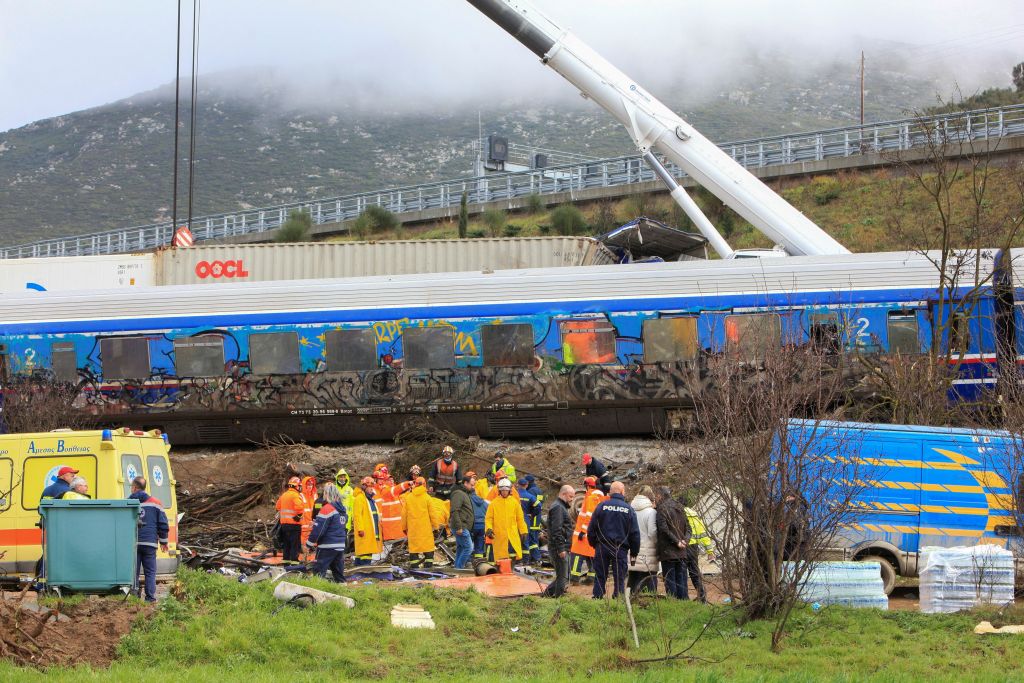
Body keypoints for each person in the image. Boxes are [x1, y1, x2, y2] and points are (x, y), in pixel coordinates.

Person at [588, 481, 640, 599]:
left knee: (600, 575)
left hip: (602, 546)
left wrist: (594, 544)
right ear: (622, 492)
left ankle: (597, 597)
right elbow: (635, 533)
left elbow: (591, 529)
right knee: (619, 577)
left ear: (610, 492)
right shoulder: (629, 509)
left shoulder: (601, 506)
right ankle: (618, 598)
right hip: (620, 548)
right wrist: (634, 552)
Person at [128, 476, 168, 603]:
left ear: (134, 487)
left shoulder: (126, 502)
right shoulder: (156, 503)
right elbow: (162, 524)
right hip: (150, 543)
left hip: (132, 543)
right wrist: (164, 541)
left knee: (133, 571)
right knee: (150, 572)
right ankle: (150, 598)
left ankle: (134, 596)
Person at [654, 486, 692, 600]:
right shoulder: (680, 507)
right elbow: (689, 528)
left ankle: (673, 604)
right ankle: (684, 604)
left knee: (670, 580)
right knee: (682, 580)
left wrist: (676, 542)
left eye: (656, 496)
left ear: (660, 496)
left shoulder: (662, 508)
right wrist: (685, 540)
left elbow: (664, 529)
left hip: (668, 551)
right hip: (682, 551)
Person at [306, 482, 348, 582]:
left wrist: (309, 544)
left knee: (318, 572)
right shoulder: (342, 510)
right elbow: (336, 525)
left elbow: (319, 530)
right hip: (340, 545)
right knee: (339, 574)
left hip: (327, 546)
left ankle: (317, 592)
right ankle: (342, 591)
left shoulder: (327, 509)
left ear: (327, 494)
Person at [569, 476, 607, 583]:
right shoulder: (602, 498)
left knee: (577, 554)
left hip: (584, 533)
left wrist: (583, 531)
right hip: (595, 533)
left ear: (588, 486)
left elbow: (589, 515)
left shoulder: (591, 497)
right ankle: (591, 577)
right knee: (592, 555)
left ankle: (574, 577)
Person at [484, 478, 528, 565]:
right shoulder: (494, 503)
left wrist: (523, 531)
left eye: (506, 490)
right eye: (502, 490)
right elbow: (489, 518)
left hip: (512, 535)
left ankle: (511, 570)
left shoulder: (514, 503)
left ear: (509, 490)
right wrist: (489, 529)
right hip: (499, 535)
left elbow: (520, 519)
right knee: (500, 558)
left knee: (512, 555)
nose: (504, 492)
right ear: (499, 491)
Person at [542, 485, 575, 598]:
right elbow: (556, 530)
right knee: (563, 576)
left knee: (563, 575)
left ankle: (546, 595)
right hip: (558, 548)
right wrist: (561, 548)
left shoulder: (560, 506)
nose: (572, 499)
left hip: (560, 546)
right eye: (570, 496)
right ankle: (558, 599)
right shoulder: (558, 508)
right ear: (563, 494)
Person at [402, 477, 442, 568]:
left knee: (414, 551)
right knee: (428, 549)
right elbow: (433, 515)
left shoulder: (409, 498)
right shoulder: (427, 498)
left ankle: (415, 569)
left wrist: (404, 528)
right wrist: (436, 528)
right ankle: (428, 568)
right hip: (426, 530)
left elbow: (404, 515)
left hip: (413, 530)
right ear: (424, 485)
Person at [628, 486, 659, 593]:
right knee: (648, 579)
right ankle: (649, 602)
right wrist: (657, 544)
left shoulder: (629, 510)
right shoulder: (651, 512)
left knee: (633, 578)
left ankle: (630, 601)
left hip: (632, 550)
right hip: (648, 552)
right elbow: (652, 532)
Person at [373, 465, 413, 542]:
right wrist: (408, 484)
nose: (392, 481)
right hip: (391, 530)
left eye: (392, 479)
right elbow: (396, 489)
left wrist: (409, 492)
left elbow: (402, 498)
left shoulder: (393, 492)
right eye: (389, 480)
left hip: (398, 528)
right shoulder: (386, 491)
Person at [684, 503, 713, 602]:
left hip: (682, 547)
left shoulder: (679, 515)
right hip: (694, 548)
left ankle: (683, 598)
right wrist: (710, 551)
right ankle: (702, 597)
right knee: (695, 573)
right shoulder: (696, 517)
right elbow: (704, 536)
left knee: (682, 573)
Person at [351, 477, 382, 566]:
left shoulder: (370, 499)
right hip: (365, 531)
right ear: (364, 487)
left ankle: (358, 569)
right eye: (370, 487)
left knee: (365, 551)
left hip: (370, 530)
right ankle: (364, 571)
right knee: (365, 552)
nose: (371, 489)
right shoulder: (360, 498)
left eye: (372, 487)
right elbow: (357, 515)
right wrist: (360, 529)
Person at [275, 476, 306, 564]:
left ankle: (286, 564)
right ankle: (294, 564)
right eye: (299, 486)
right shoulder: (296, 495)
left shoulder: (284, 495)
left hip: (284, 525)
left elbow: (277, 506)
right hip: (294, 524)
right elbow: (299, 507)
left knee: (286, 545)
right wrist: (299, 515)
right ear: (296, 486)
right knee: (295, 545)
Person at [448, 475, 475, 569]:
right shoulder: (459, 494)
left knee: (461, 548)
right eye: (472, 485)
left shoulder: (464, 493)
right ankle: (459, 568)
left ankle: (457, 569)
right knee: (469, 548)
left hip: (462, 526)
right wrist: (459, 526)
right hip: (461, 526)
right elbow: (455, 510)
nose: (473, 487)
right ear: (465, 483)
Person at [516, 478, 541, 564]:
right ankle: (525, 560)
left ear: (518, 484)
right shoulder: (530, 496)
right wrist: (532, 514)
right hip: (525, 519)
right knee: (525, 540)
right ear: (526, 485)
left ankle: (517, 559)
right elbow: (539, 506)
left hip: (514, 519)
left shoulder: (514, 495)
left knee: (515, 539)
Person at [525, 475, 544, 565]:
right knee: (535, 539)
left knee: (532, 540)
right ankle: (535, 557)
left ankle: (536, 557)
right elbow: (541, 504)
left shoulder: (530, 491)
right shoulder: (539, 490)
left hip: (532, 518)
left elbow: (532, 505)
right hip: (538, 518)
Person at [469, 475, 489, 561]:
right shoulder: (483, 501)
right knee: (480, 546)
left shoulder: (468, 500)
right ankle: (479, 562)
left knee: (469, 545)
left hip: (473, 525)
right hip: (482, 525)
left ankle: (468, 562)